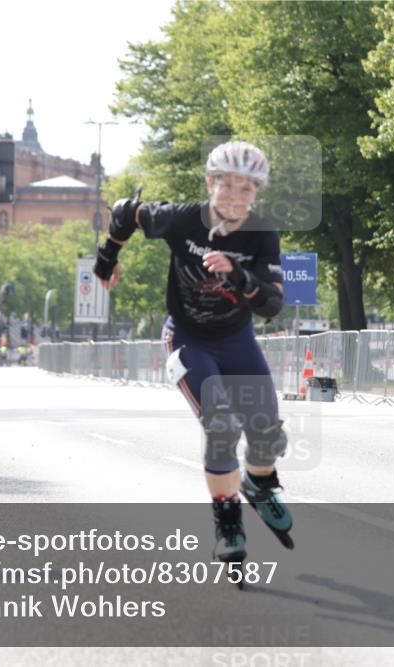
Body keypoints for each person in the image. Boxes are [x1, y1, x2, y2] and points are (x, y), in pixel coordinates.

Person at [93, 140, 292, 566]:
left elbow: (272, 305)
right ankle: (227, 518)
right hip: (188, 337)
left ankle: (258, 485)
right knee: (220, 425)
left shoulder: (263, 233)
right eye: (227, 186)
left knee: (268, 434)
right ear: (210, 183)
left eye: (246, 189)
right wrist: (107, 259)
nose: (235, 198)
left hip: (237, 339)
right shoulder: (182, 219)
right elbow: (127, 210)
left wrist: (238, 274)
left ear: (258, 193)